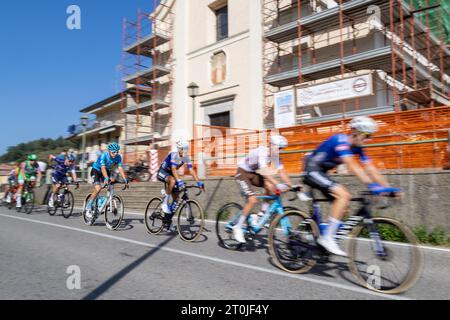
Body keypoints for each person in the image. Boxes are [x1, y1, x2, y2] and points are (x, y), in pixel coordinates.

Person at [302, 116, 402, 256]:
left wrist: (387, 187)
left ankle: (321, 234)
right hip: (312, 170)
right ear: (355, 132)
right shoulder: (340, 140)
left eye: (370, 136)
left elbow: (371, 169)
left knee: (344, 206)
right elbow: (352, 165)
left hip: (323, 173)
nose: (369, 139)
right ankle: (327, 238)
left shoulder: (358, 148)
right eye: (366, 135)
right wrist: (371, 185)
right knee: (343, 195)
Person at [232, 135, 294, 243]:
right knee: (252, 199)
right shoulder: (262, 152)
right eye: (278, 148)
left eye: (281, 149)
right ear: (272, 145)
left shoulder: (275, 157)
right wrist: (278, 183)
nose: (279, 151)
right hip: (242, 172)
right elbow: (264, 172)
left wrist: (291, 185)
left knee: (270, 187)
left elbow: (282, 172)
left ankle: (262, 213)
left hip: (253, 173)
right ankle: (238, 226)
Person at [157, 140, 204, 230]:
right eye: (181, 150)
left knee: (176, 200)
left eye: (184, 150)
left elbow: (191, 171)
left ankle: (167, 220)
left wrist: (199, 182)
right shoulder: (174, 154)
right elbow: (174, 169)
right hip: (163, 172)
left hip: (171, 175)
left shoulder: (186, 157)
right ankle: (164, 203)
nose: (182, 152)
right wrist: (179, 180)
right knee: (173, 181)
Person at [85, 143, 128, 219]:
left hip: (106, 170)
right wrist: (106, 177)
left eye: (117, 152)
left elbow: (120, 168)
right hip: (96, 170)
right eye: (113, 152)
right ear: (109, 151)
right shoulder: (104, 155)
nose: (115, 154)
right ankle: (88, 207)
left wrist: (125, 179)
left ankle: (107, 203)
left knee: (111, 184)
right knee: (98, 188)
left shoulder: (118, 157)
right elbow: (103, 168)